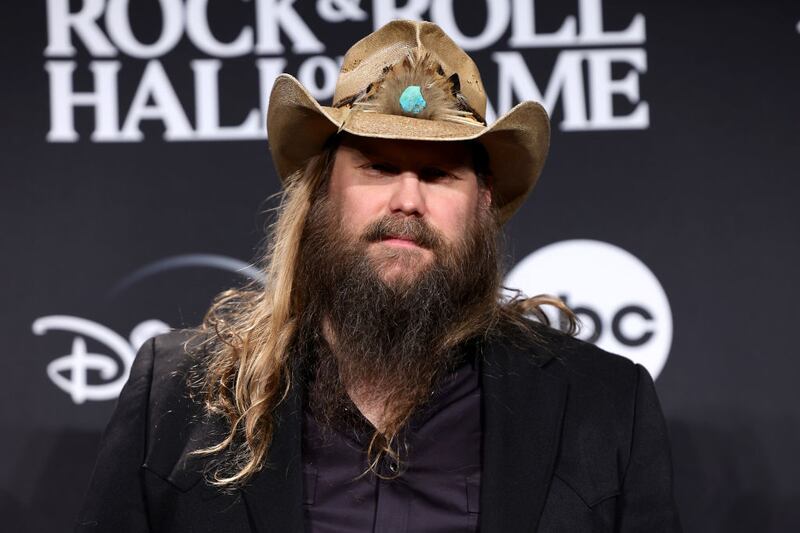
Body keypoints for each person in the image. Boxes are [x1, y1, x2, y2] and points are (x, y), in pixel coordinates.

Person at [76, 20, 681, 533]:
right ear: (319, 196)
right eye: (379, 165)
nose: (407, 199)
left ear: (484, 201)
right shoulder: (176, 394)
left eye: (440, 174)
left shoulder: (603, 403)